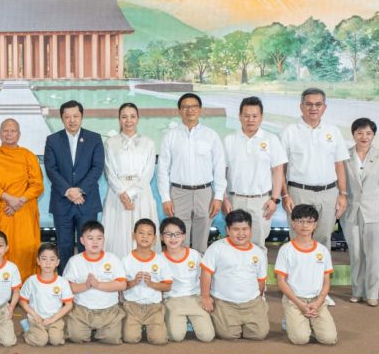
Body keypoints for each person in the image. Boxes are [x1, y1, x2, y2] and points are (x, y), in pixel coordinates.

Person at [156, 93, 226, 252]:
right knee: (179, 239)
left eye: (194, 106)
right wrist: (165, 198)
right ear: (179, 111)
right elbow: (163, 170)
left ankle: (200, 267)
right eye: (186, 107)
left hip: (205, 193)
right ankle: (180, 267)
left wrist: (218, 196)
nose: (190, 110)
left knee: (202, 240)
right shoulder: (170, 136)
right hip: (179, 193)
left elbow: (219, 167)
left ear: (200, 109)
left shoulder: (211, 135)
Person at [280, 88, 349, 246]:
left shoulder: (333, 131)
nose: (313, 108)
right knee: (298, 239)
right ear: (301, 106)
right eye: (309, 104)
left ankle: (322, 264)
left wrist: (343, 194)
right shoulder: (289, 132)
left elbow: (339, 165)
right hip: (299, 193)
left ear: (324, 107)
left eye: (318, 104)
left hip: (328, 194)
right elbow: (280, 169)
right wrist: (285, 195)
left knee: (324, 239)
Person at [44, 100, 105, 272]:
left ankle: (87, 278)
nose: (72, 120)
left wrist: (79, 190)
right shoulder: (53, 140)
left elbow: (97, 167)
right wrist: (68, 191)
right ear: (62, 118)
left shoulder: (94, 138)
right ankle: (66, 280)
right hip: (62, 201)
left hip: (87, 201)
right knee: (64, 245)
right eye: (67, 117)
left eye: (76, 116)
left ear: (82, 117)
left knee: (88, 244)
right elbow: (51, 169)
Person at [0, 118, 44, 279]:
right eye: (5, 130)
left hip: (24, 212)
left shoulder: (28, 156)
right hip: (1, 211)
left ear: (19, 134)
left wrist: (20, 201)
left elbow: (37, 185)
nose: (9, 134)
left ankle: (26, 285)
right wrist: (9, 199)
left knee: (26, 249)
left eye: (13, 131)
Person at [341, 118, 379, 307]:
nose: (364, 137)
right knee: (356, 255)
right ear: (353, 134)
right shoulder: (344, 156)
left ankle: (372, 293)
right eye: (360, 133)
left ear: (373, 135)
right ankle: (357, 291)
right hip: (351, 212)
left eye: (368, 133)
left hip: (376, 212)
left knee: (374, 255)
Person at [222, 97, 286, 248]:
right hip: (234, 200)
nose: (250, 120)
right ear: (239, 116)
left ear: (261, 117)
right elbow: (221, 172)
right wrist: (224, 199)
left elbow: (278, 171)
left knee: (258, 245)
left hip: (261, 202)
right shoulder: (229, 140)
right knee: (234, 245)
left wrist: (274, 199)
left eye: (254, 116)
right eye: (246, 115)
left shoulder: (271, 139)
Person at [200, 210, 269, 341]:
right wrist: (205, 296)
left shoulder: (258, 252)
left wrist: (258, 299)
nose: (241, 233)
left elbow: (261, 281)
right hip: (224, 301)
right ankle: (220, 318)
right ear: (227, 230)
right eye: (236, 229)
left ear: (250, 229)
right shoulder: (217, 247)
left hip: (251, 302)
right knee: (228, 334)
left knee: (259, 334)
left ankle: (256, 312)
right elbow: (206, 273)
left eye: (245, 229)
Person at [274, 205, 338, 345]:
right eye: (300, 221)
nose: (304, 225)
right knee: (300, 339)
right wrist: (300, 304)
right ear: (293, 224)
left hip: (317, 301)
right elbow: (281, 281)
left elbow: (326, 282)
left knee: (329, 339)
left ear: (315, 225)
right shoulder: (286, 250)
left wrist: (319, 302)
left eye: (309, 221)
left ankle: (308, 322)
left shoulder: (322, 251)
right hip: (294, 300)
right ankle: (291, 320)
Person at [102, 103, 158, 257]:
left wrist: (131, 193)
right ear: (119, 119)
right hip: (117, 194)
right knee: (118, 231)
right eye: (124, 117)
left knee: (141, 229)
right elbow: (109, 170)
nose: (128, 121)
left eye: (132, 116)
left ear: (138, 119)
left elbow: (148, 172)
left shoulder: (148, 143)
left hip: (141, 193)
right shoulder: (110, 143)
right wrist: (122, 193)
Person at [64, 221, 126, 344]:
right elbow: (67, 287)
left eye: (99, 238)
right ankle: (86, 328)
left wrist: (98, 285)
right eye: (90, 238)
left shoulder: (112, 259)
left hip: (109, 309)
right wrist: (86, 285)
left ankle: (101, 330)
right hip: (82, 309)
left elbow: (122, 285)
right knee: (76, 337)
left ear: (104, 240)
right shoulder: (74, 261)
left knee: (112, 338)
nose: (95, 242)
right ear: (82, 240)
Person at [161, 217, 215, 342]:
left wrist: (206, 296)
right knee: (176, 336)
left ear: (184, 236)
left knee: (207, 336)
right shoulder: (159, 259)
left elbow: (205, 277)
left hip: (194, 298)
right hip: (172, 300)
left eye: (177, 234)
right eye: (168, 234)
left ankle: (189, 320)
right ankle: (178, 320)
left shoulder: (194, 255)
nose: (173, 238)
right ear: (162, 237)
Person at [121, 218, 171, 345]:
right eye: (141, 233)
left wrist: (152, 284)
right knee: (130, 339)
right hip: (132, 306)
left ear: (154, 238)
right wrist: (133, 282)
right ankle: (135, 324)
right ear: (134, 235)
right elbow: (121, 286)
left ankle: (155, 322)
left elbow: (167, 286)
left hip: (154, 307)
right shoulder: (126, 260)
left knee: (159, 340)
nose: (145, 236)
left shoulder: (160, 260)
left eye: (149, 234)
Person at [19, 243, 74, 347]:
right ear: (38, 261)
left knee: (56, 340)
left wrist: (53, 319)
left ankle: (47, 332)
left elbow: (69, 305)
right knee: (41, 341)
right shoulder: (31, 281)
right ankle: (27, 330)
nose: (48, 263)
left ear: (57, 262)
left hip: (55, 319)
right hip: (36, 319)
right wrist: (35, 316)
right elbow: (22, 300)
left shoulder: (62, 282)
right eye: (44, 259)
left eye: (52, 259)